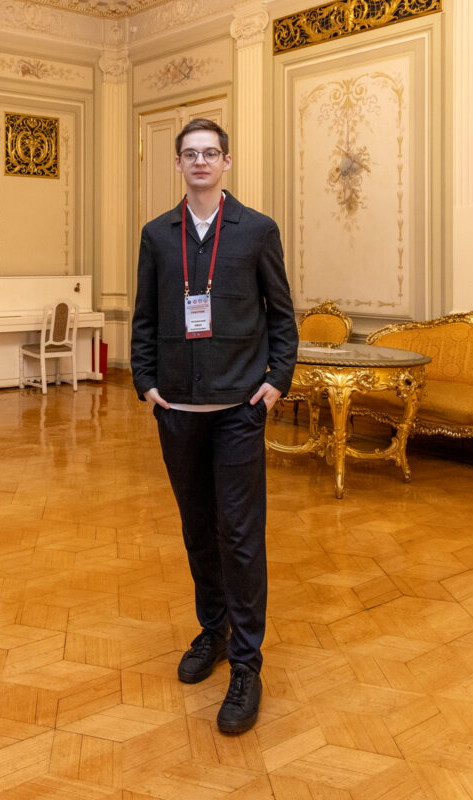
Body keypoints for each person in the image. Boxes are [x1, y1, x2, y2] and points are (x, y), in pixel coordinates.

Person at [130, 118, 298, 735]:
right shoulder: (157, 235)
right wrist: (146, 383)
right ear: (177, 164)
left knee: (241, 536)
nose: (200, 161)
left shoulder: (256, 231)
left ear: (226, 162)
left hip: (237, 413)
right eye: (190, 153)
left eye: (210, 153)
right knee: (198, 531)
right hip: (177, 412)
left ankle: (247, 665)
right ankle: (214, 631)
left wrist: (276, 382)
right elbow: (145, 318)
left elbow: (282, 317)